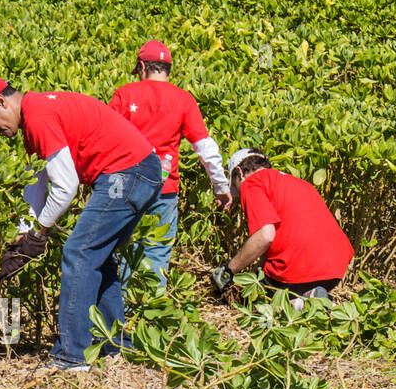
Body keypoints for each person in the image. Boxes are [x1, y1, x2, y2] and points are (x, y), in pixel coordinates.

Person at [0, 75, 161, 370]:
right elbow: (36, 185)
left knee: (78, 252)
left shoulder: (39, 117)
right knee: (98, 256)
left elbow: (66, 186)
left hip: (126, 173)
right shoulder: (35, 118)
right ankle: (117, 348)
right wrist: (24, 234)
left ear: (1, 102)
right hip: (137, 172)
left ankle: (71, 357)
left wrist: (40, 233)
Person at [110, 40, 232, 287]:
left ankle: (122, 318)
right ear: (168, 69)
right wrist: (220, 187)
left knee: (123, 251)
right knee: (156, 253)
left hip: (125, 185)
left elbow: (105, 136)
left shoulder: (125, 93)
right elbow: (205, 148)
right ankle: (150, 314)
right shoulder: (184, 99)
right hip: (164, 189)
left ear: (142, 66)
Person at [210, 149, 353, 299]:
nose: (239, 193)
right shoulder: (298, 183)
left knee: (260, 299)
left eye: (236, 186)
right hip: (335, 269)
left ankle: (303, 302)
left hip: (300, 268)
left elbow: (265, 236)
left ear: (239, 172)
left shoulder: (252, 183)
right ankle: (310, 298)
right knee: (268, 285)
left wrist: (229, 269)